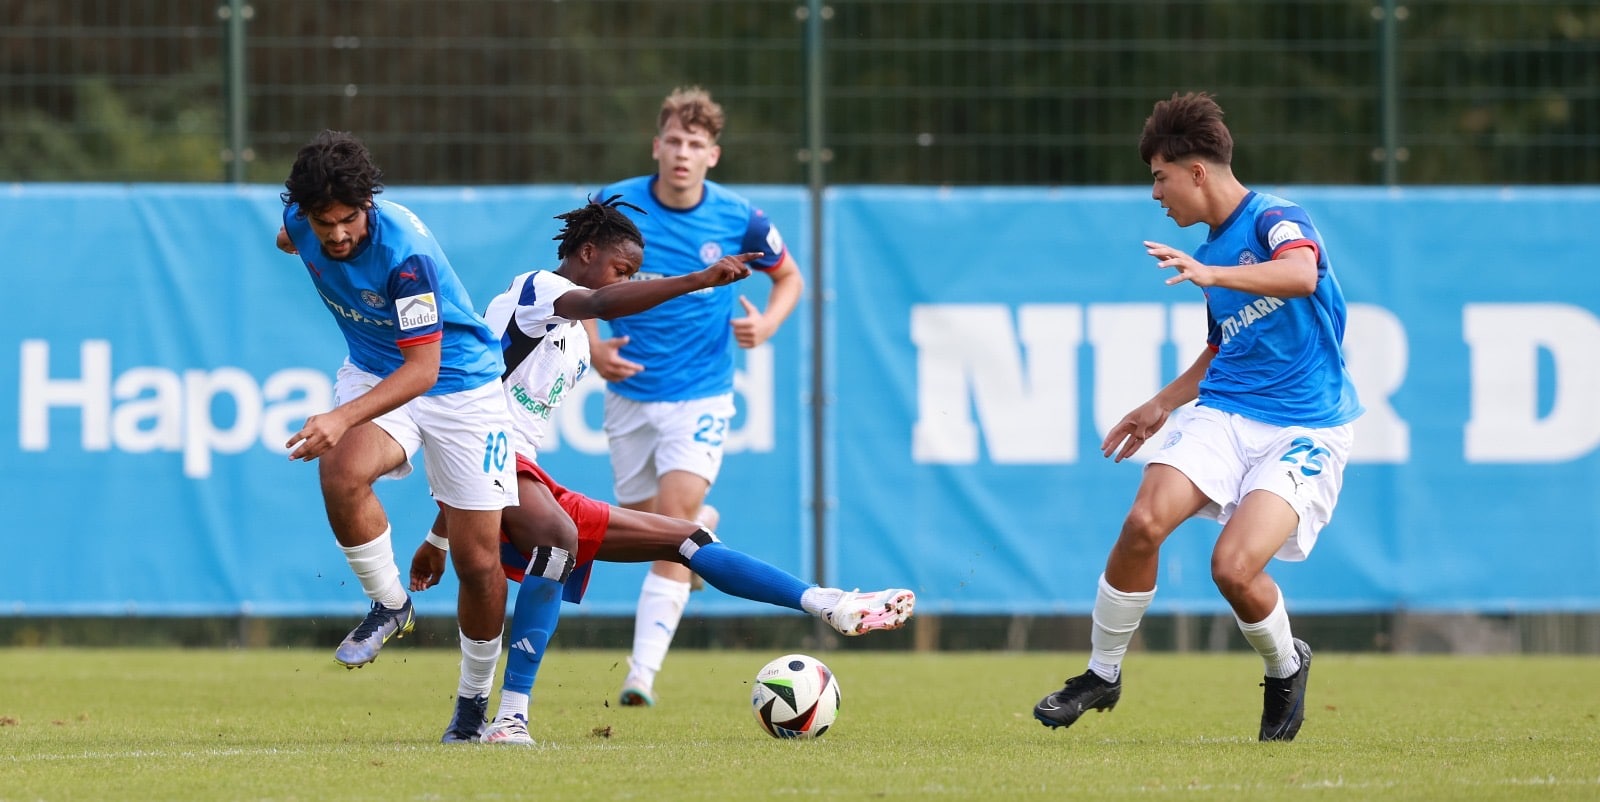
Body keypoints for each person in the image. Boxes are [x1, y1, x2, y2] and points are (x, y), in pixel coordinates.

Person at [409, 197, 915, 745]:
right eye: (623, 269)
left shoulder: (576, 344)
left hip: (507, 471)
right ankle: (505, 718)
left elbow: (499, 442)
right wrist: (698, 279)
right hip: (490, 458)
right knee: (557, 540)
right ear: (585, 252)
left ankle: (828, 603)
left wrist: (440, 533)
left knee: (689, 539)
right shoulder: (537, 291)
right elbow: (598, 305)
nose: (626, 281)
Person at [1031, 92, 1363, 742]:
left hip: (1305, 427)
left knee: (1233, 569)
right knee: (1143, 522)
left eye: (1159, 177)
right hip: (1226, 415)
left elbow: (1298, 276)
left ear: (1196, 171)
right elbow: (1223, 348)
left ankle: (1285, 665)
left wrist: (1212, 272)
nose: (1156, 194)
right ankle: (1102, 674)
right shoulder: (1213, 252)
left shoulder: (1277, 217)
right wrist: (1160, 404)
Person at [276, 130, 517, 736]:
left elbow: (424, 371)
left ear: (369, 205)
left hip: (459, 386)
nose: (335, 235)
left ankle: (470, 707)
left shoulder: (404, 256)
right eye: (322, 221)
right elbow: (288, 238)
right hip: (376, 370)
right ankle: (389, 603)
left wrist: (338, 416)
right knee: (342, 471)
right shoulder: (299, 224)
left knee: (478, 560)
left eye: (348, 220)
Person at [584, 86, 807, 708]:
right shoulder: (614, 204)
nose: (683, 153)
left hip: (701, 395)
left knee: (672, 527)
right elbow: (569, 281)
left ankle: (641, 676)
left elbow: (789, 277)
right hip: (630, 392)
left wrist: (766, 324)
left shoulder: (741, 218)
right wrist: (595, 345)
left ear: (713, 156)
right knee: (643, 522)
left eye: (696, 145)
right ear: (657, 146)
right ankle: (701, 528)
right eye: (674, 141)